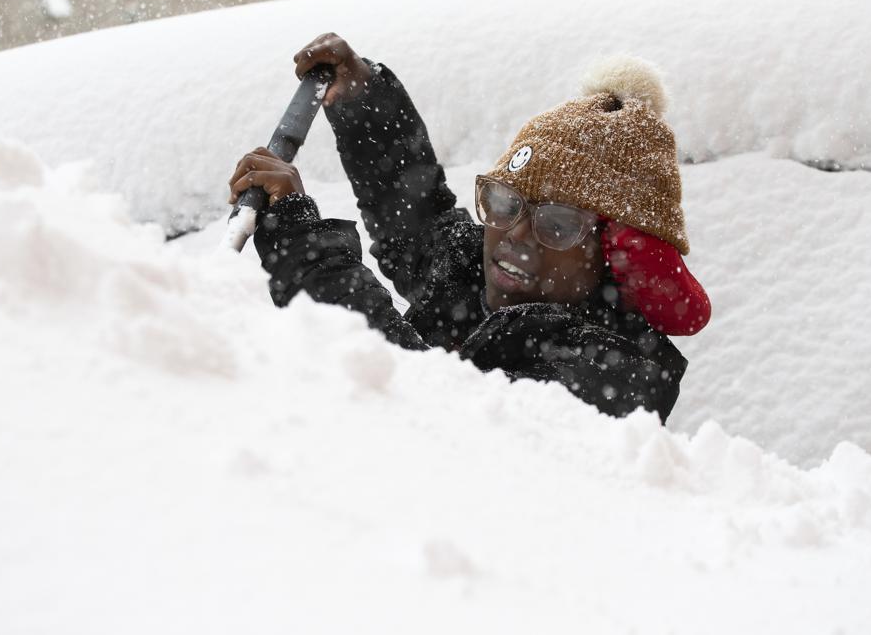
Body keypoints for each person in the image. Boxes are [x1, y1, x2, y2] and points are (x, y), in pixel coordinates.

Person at [228, 33, 711, 421]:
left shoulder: (613, 377)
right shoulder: (475, 278)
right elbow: (416, 220)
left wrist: (305, 246)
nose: (514, 236)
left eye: (558, 224)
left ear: (615, 258)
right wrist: (363, 102)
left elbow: (429, 419)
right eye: (504, 202)